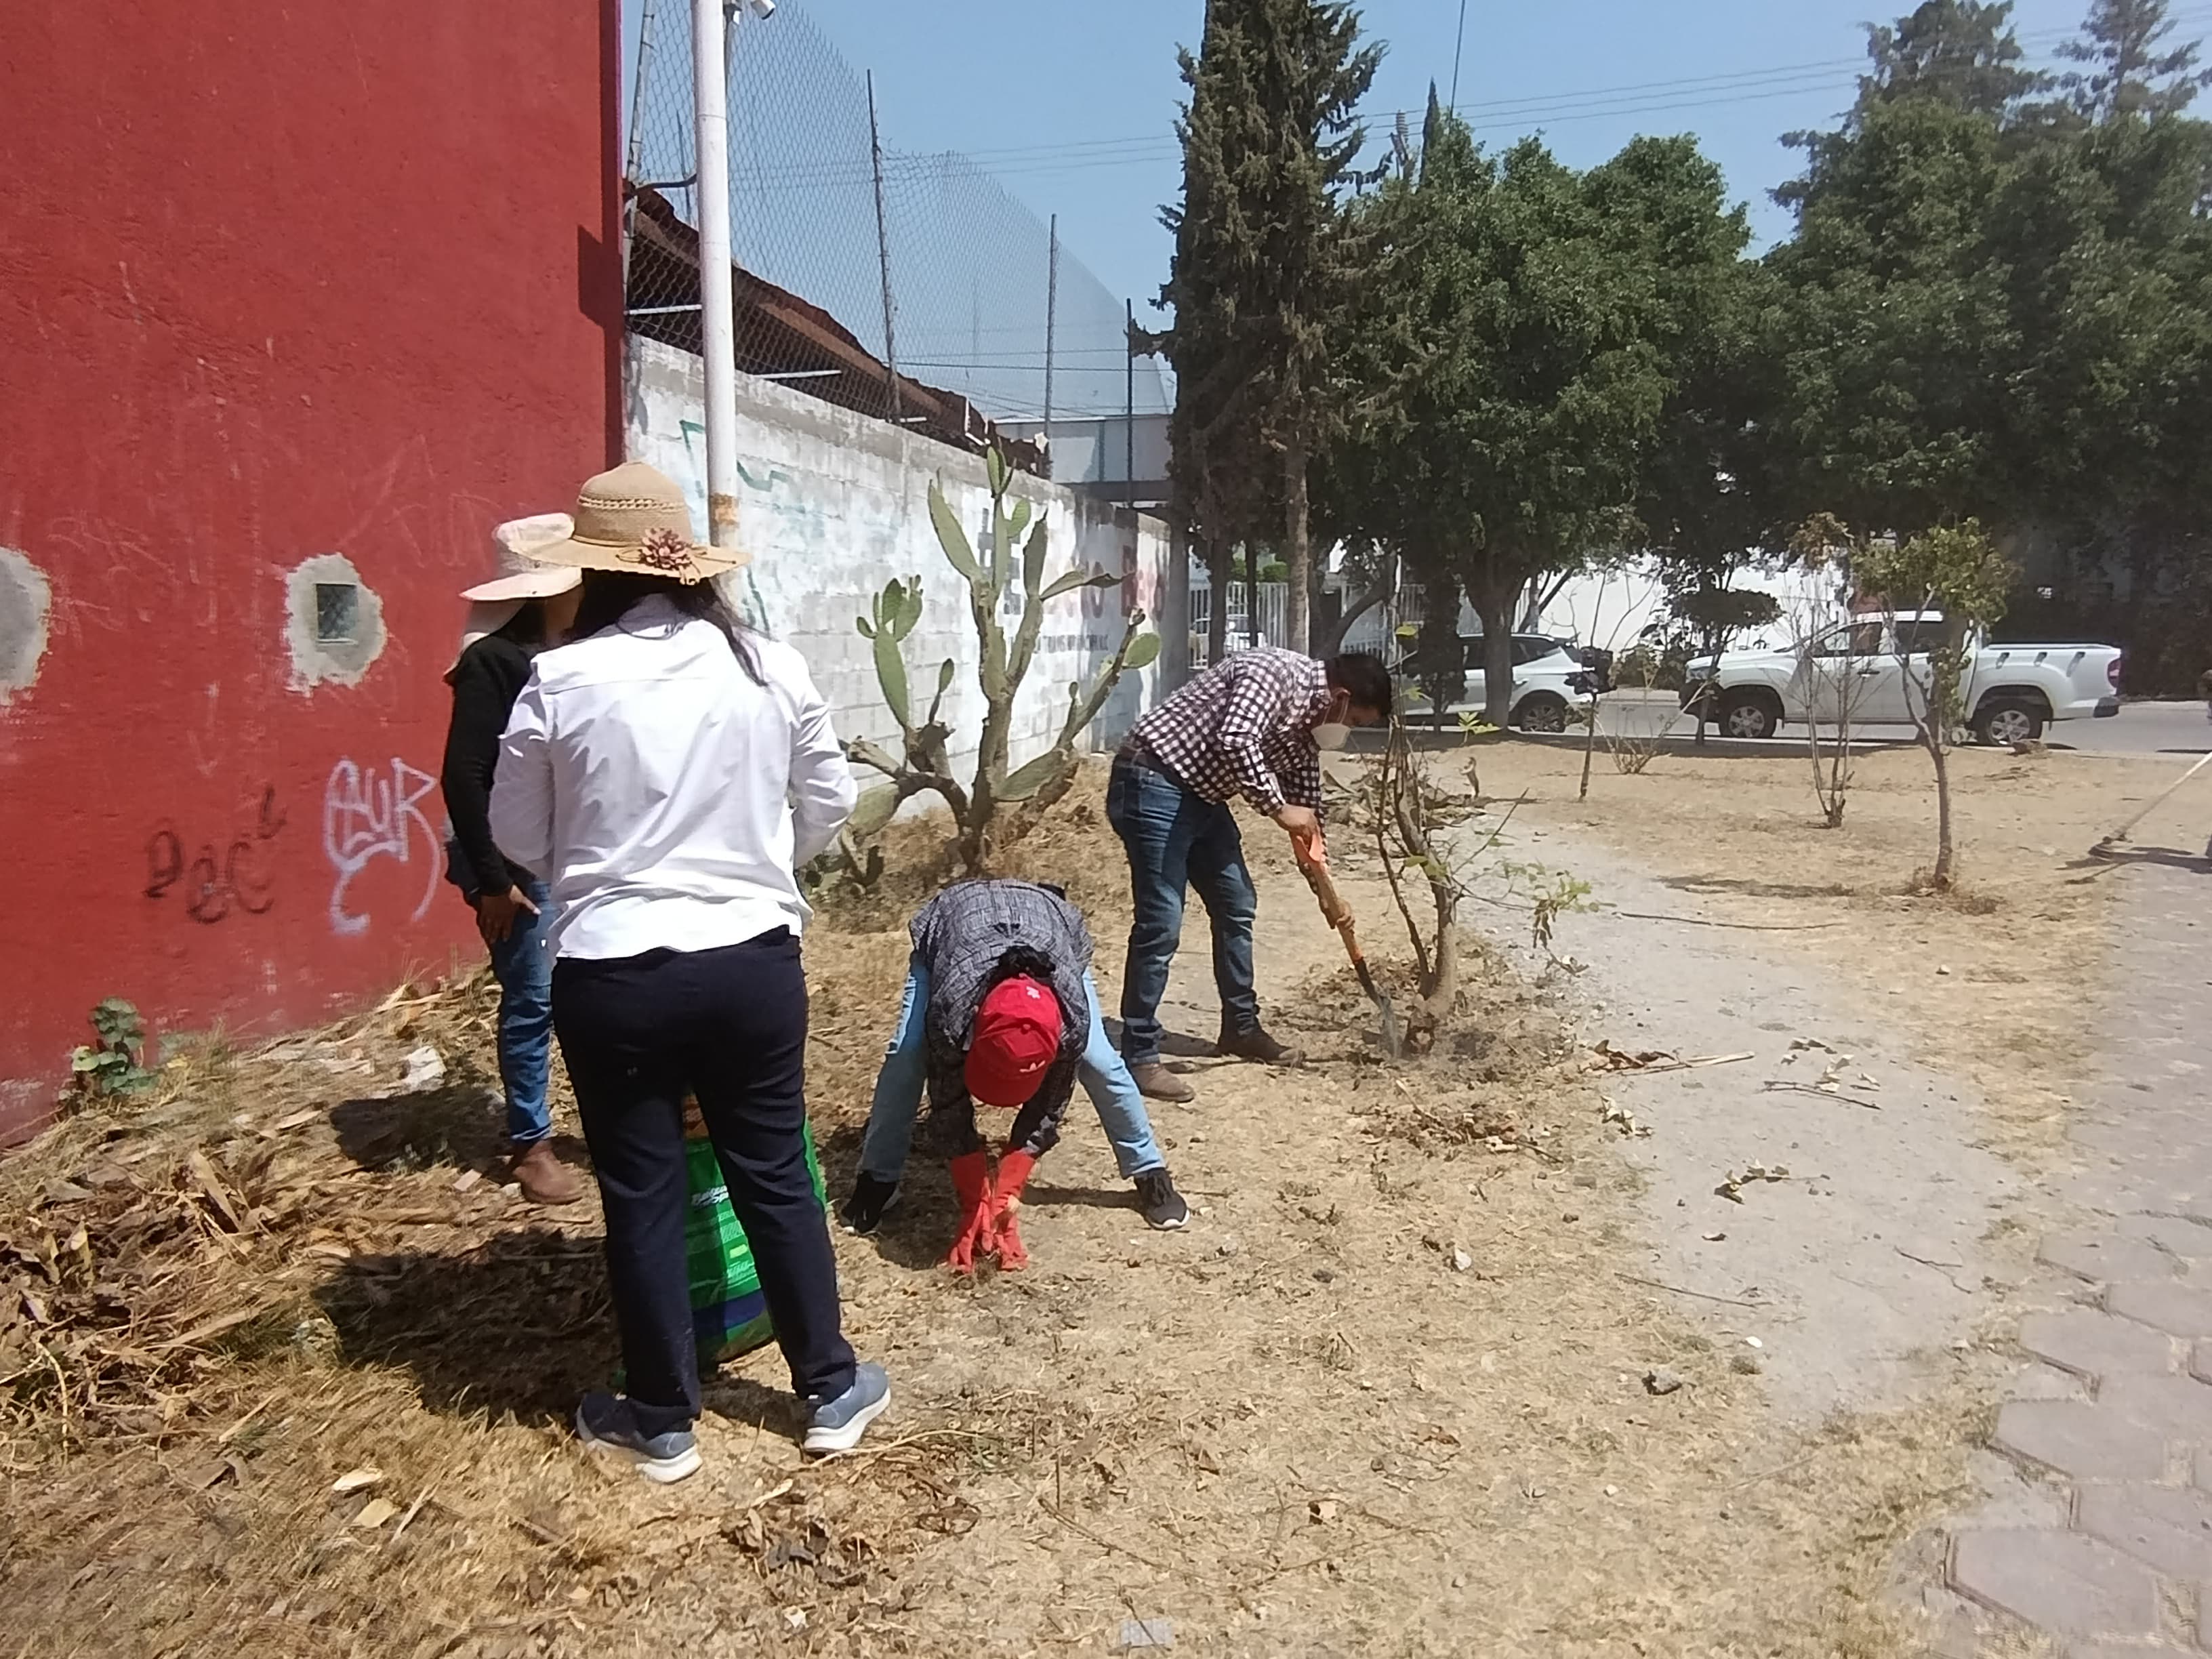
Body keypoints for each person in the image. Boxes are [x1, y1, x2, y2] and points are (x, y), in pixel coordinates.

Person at [489, 462, 887, 1481]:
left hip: (612, 974)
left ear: (596, 574)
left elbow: (514, 833)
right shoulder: (768, 665)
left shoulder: (561, 680)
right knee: (774, 1173)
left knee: (641, 1188)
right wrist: (757, 868)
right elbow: (830, 801)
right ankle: (831, 1388)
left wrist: (600, 870)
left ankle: (662, 1417)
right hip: (750, 960)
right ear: (691, 569)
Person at [839, 878, 1189, 1267]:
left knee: (1101, 1061)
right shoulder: (952, 1017)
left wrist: (1007, 1193)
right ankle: (877, 1179)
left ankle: (1149, 1170)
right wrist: (974, 1202)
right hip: (958, 924)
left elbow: (1049, 1108)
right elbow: (948, 1102)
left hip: (1051, 931)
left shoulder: (1070, 1023)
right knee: (907, 1054)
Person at [1109, 647, 1394, 1103]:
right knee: (1162, 923)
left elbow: (1307, 811)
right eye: (1355, 722)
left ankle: (1240, 1028)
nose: (1349, 732)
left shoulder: (1311, 727)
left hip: (1202, 798)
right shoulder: (1273, 673)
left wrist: (1323, 885)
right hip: (1153, 780)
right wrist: (1277, 808)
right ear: (1340, 698)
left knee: (1236, 902)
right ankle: (1139, 1054)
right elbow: (1236, 740)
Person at [441, 516, 587, 1206]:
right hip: (508, 861)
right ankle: (530, 1144)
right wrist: (495, 883)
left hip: (561, 848)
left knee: (582, 990)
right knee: (533, 997)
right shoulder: (495, 661)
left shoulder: (573, 653)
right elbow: (464, 775)